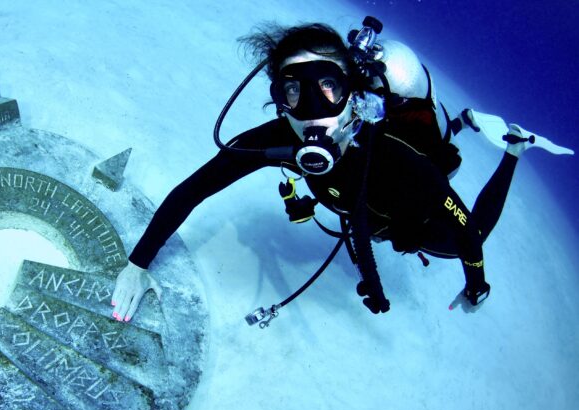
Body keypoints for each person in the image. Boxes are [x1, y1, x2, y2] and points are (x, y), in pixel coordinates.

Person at [110, 22, 531, 322]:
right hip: (359, 212)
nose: (312, 112)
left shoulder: (397, 157)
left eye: (328, 88)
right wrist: (138, 263)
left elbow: (470, 235)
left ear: (354, 96)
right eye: (293, 90)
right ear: (280, 100)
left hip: (410, 220)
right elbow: (193, 190)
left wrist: (477, 287)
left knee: (469, 236)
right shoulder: (278, 139)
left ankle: (512, 149)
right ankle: (461, 122)